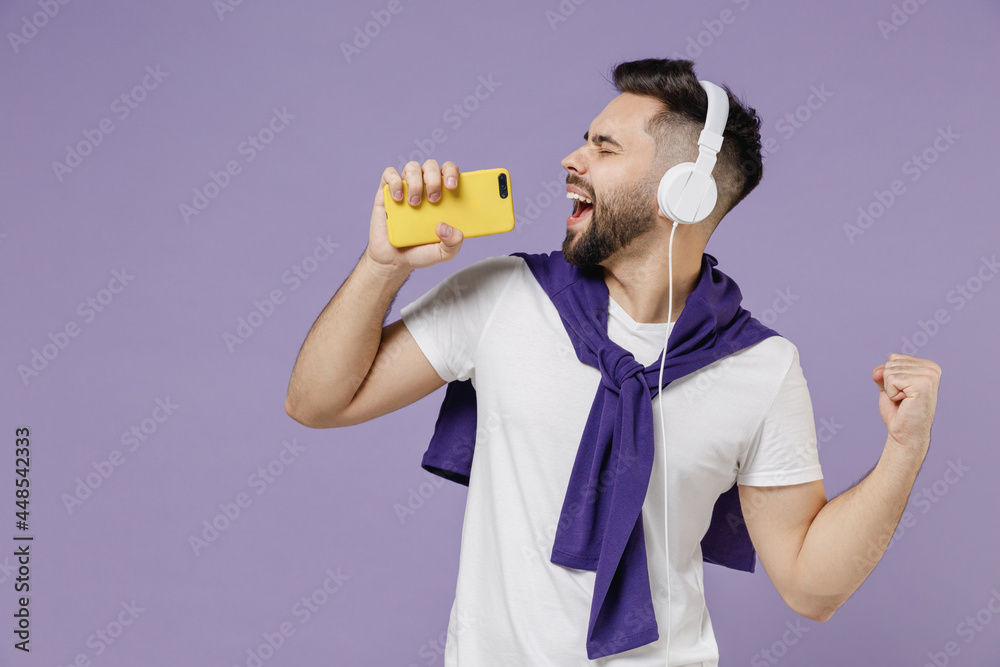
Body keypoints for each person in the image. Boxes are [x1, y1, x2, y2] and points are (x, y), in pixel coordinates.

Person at [284, 58, 942, 666]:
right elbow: (316, 402)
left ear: (682, 192)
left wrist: (904, 453)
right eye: (585, 140)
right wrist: (383, 266)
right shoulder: (501, 296)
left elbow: (810, 586)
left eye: (605, 147)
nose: (572, 159)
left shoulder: (761, 366)